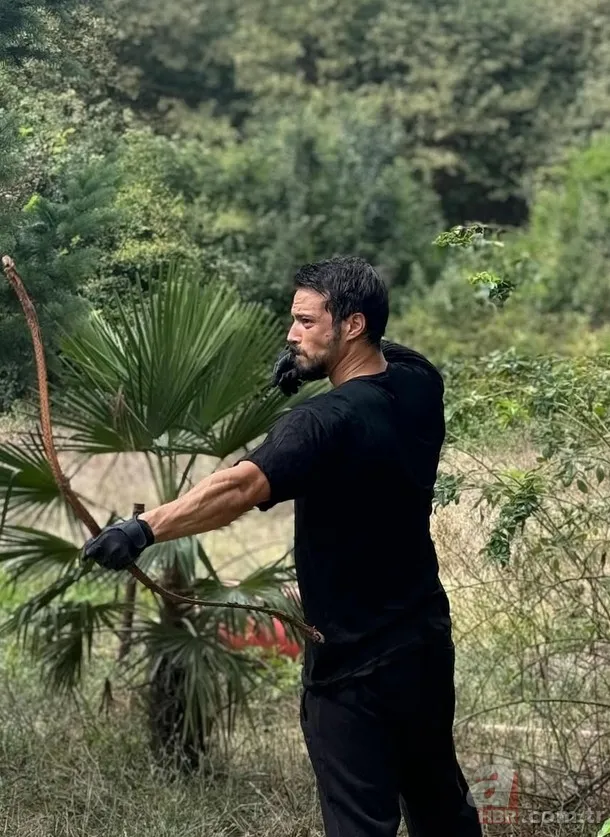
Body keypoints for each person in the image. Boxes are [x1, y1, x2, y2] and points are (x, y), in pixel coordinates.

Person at [84, 256, 482, 837]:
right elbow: (390, 357)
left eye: (305, 322)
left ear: (352, 326)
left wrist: (140, 530)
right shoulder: (421, 386)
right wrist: (313, 363)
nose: (291, 334)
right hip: (423, 646)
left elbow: (240, 486)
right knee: (441, 808)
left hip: (352, 668)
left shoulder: (319, 422)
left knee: (359, 824)